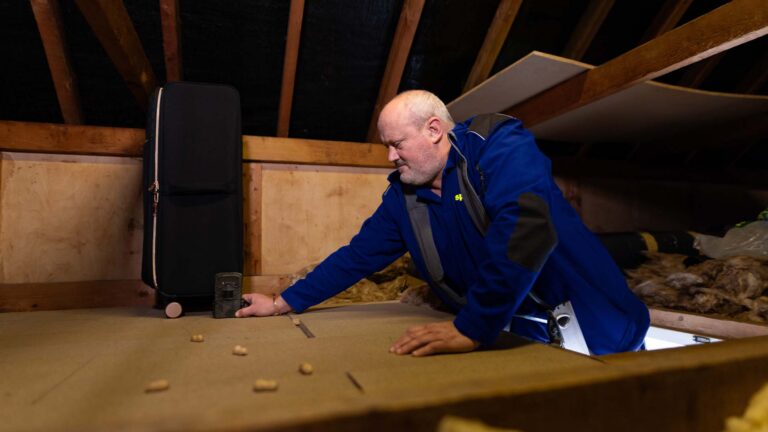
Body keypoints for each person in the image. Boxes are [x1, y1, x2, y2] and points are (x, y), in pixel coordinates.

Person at [236, 90, 650, 356]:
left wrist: (471, 327)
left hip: (602, 333)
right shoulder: (404, 197)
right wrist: (282, 302)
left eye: (396, 144)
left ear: (434, 130)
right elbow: (356, 257)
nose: (390, 158)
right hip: (523, 341)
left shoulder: (498, 146)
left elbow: (526, 227)